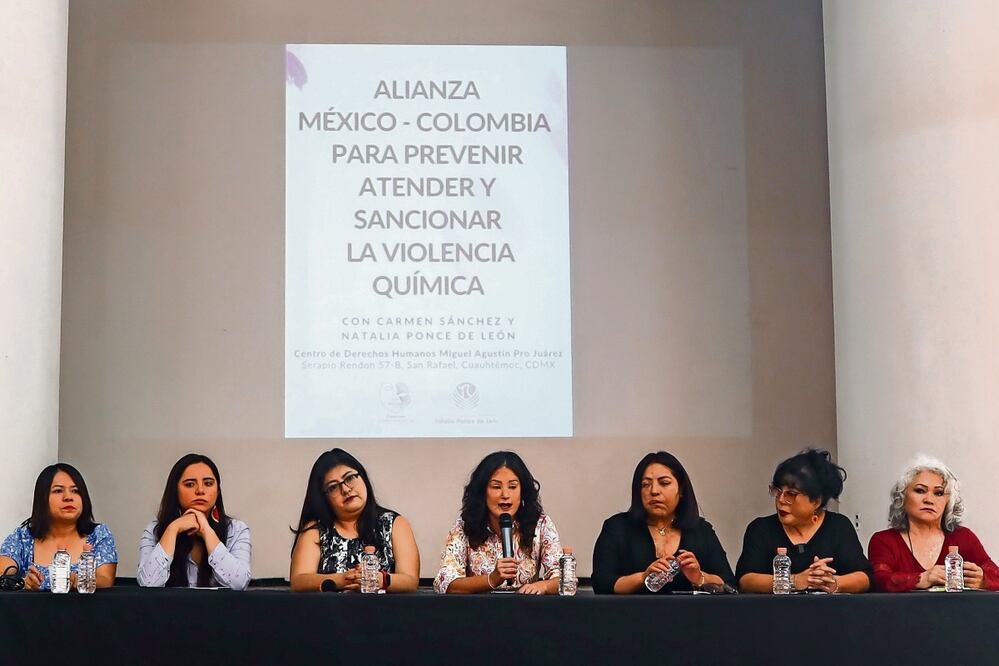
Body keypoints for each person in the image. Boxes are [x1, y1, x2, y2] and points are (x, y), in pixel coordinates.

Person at [592, 451, 735, 594]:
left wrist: (699, 578)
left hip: (690, 614)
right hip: (631, 614)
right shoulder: (618, 527)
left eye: (664, 483)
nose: (654, 491)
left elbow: (729, 583)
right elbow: (602, 583)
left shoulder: (701, 530)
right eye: (645, 485)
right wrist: (643, 577)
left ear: (681, 490)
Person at [736, 448, 872, 593]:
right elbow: (745, 580)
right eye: (778, 491)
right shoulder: (761, 529)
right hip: (774, 613)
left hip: (830, 613)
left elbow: (865, 577)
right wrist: (793, 581)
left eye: (791, 494)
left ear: (816, 501)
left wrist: (833, 583)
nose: (781, 500)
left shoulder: (839, 526)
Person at [289, 448, 419, 592]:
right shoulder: (316, 530)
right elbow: (298, 581)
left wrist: (381, 579)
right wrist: (344, 578)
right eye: (333, 487)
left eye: (350, 478)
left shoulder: (394, 524)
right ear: (324, 498)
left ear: (363, 477)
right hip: (330, 612)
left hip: (384, 611)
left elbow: (410, 581)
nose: (345, 489)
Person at [434, 451, 563, 594]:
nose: (505, 495)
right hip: (479, 611)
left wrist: (543, 586)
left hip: (526, 611)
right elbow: (445, 583)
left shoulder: (540, 523)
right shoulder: (465, 525)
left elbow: (563, 579)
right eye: (496, 487)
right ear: (483, 492)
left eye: (513, 487)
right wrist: (491, 579)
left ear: (523, 491)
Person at [868, 456, 999, 591]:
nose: (929, 500)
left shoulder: (964, 537)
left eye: (939, 493)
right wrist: (922, 578)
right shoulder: (884, 540)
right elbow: (878, 581)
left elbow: (996, 576)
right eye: (920, 490)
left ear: (948, 502)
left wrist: (983, 581)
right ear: (901, 497)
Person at [137, 453, 251, 589]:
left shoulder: (236, 529)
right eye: (190, 484)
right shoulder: (155, 530)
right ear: (175, 491)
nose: (200, 490)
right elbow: (148, 585)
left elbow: (239, 584)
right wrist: (173, 528)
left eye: (208, 483)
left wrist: (207, 531)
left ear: (218, 491)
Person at [0, 463, 118, 590]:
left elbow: (105, 579)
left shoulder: (99, 535)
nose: (68, 497)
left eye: (76, 491)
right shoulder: (22, 538)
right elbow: (2, 575)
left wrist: (77, 581)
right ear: (42, 498)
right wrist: (23, 582)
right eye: (58, 490)